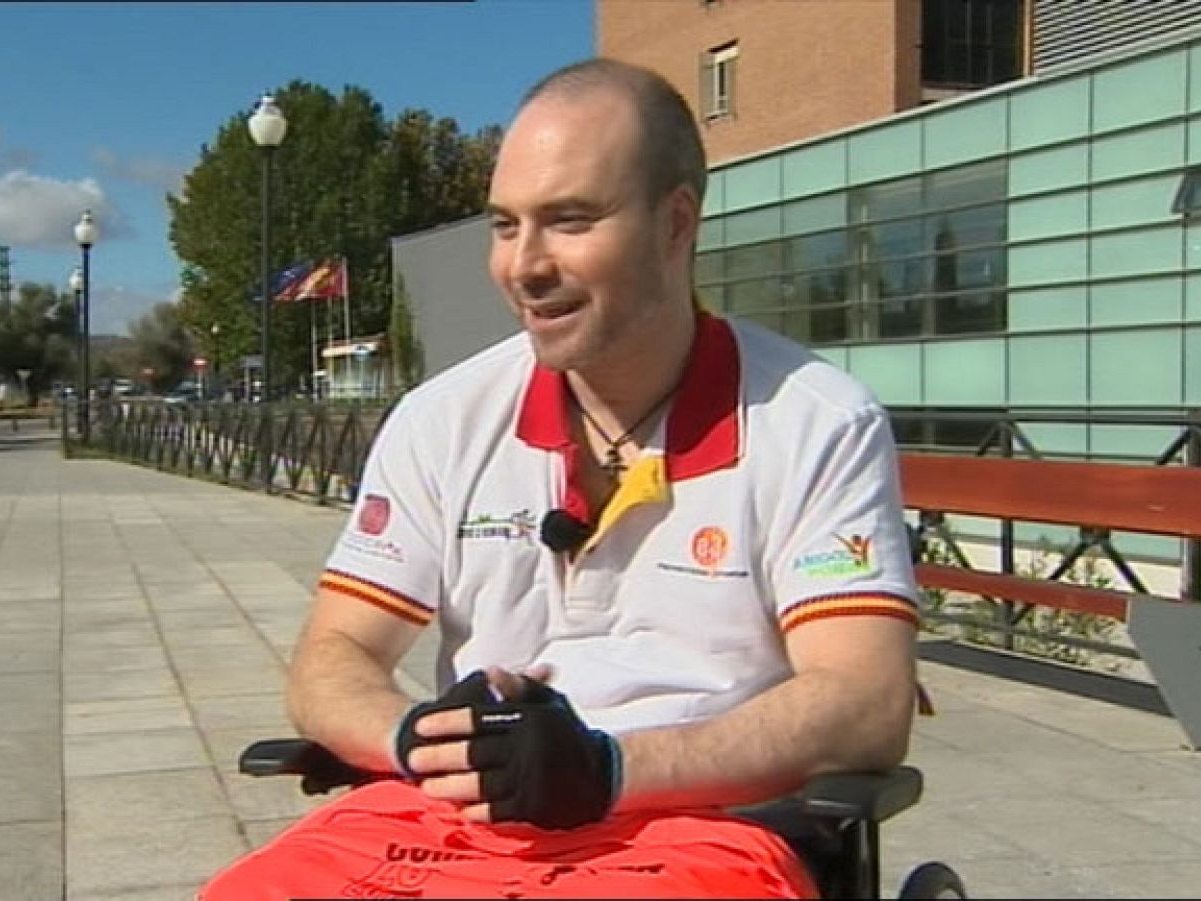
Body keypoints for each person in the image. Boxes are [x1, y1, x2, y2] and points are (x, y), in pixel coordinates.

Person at [201, 57, 921, 900]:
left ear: (675, 223)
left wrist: (608, 767)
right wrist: (423, 738)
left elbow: (867, 703)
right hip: (452, 821)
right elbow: (333, 655)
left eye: (569, 220)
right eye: (506, 226)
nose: (524, 265)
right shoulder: (445, 420)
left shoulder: (815, 421)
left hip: (701, 827)